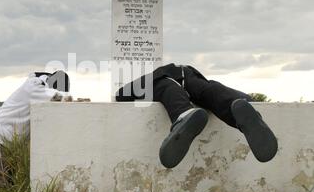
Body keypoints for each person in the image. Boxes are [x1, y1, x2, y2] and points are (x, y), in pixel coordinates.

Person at [116, 63, 278, 168]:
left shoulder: (166, 79)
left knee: (190, 90)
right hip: (181, 78)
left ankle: (185, 115)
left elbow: (121, 94)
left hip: (179, 79)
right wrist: (245, 99)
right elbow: (121, 94)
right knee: (209, 90)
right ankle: (237, 113)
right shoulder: (162, 79)